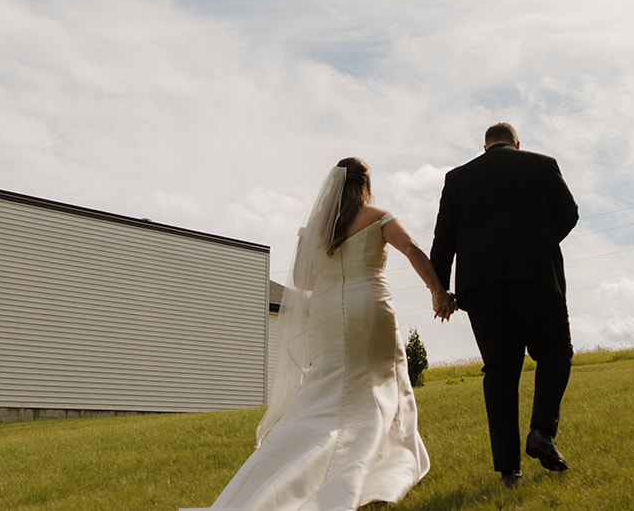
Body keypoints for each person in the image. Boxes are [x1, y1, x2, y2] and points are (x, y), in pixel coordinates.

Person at [189, 158, 456, 511]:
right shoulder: (379, 218)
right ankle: (382, 458)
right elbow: (411, 249)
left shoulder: (315, 228)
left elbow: (301, 279)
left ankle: (291, 457)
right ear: (365, 184)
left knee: (327, 384)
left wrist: (333, 279)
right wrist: (437, 290)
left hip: (328, 312)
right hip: (370, 305)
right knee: (382, 379)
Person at [430, 122, 579, 488]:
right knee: (555, 353)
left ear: (484, 148)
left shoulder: (457, 178)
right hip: (536, 278)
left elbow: (443, 239)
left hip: (480, 287)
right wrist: (537, 243)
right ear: (516, 143)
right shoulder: (542, 165)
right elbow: (569, 213)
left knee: (500, 371)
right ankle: (542, 432)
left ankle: (509, 470)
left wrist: (440, 290)